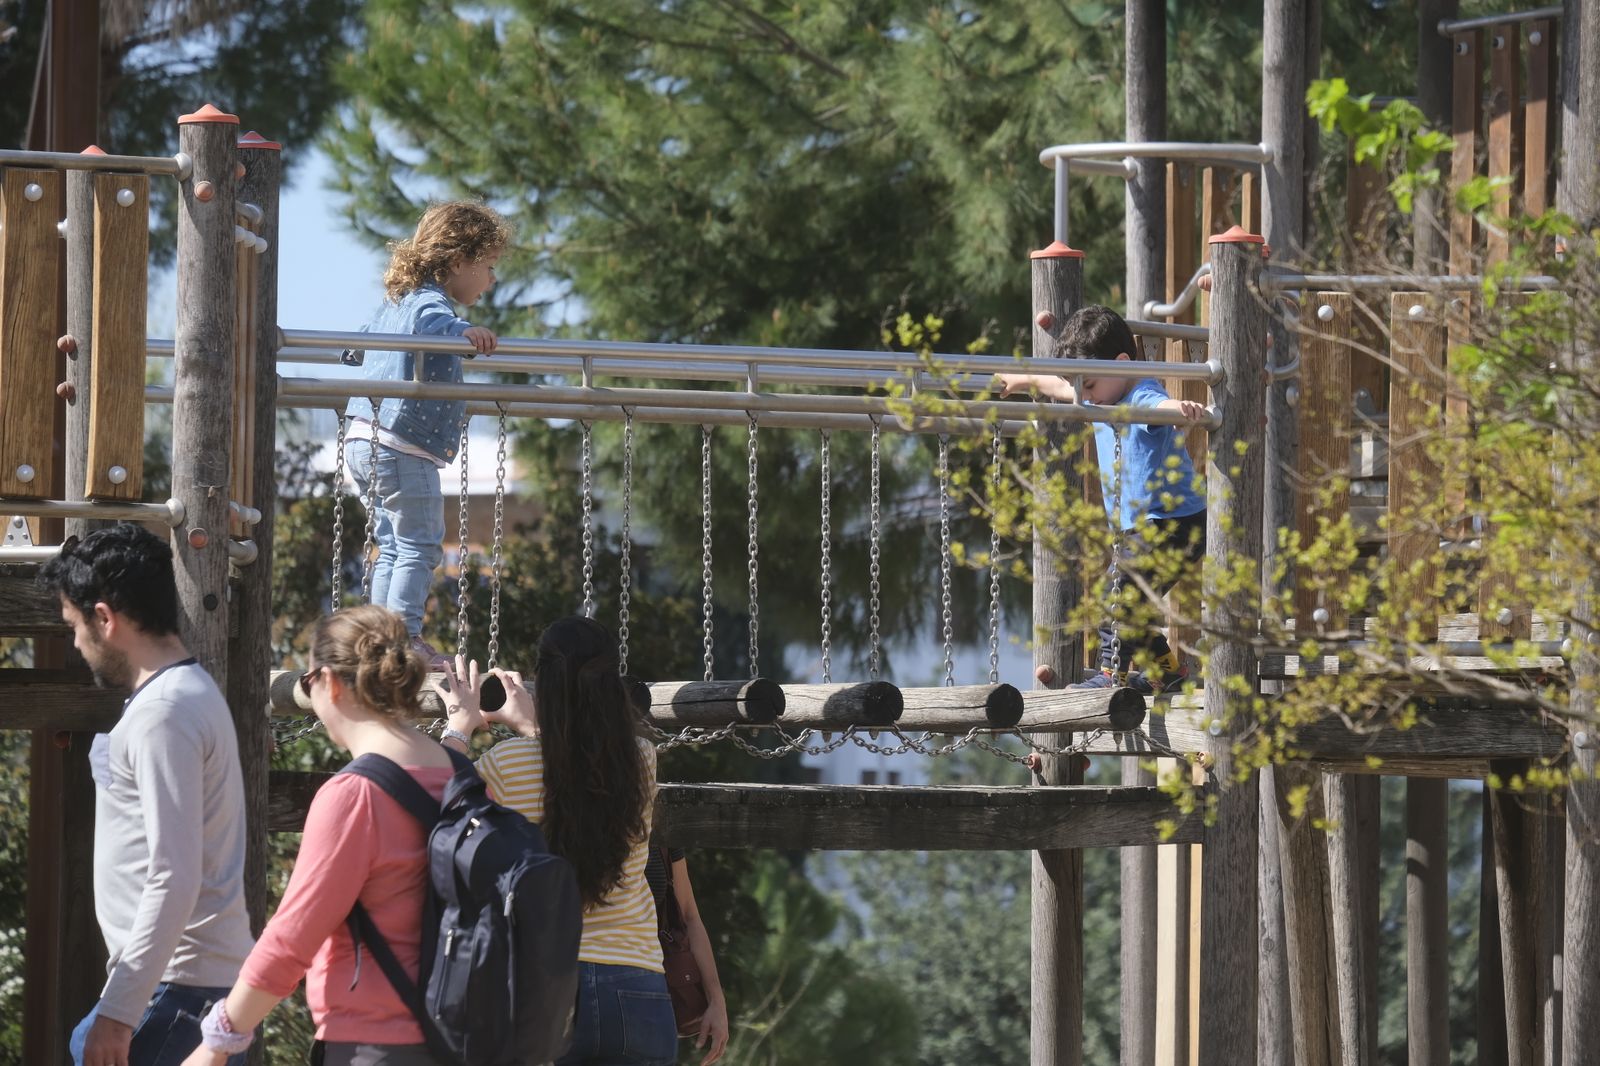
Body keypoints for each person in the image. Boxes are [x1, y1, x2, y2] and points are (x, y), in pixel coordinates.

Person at [179, 605, 457, 1066]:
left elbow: (291, 940)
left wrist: (217, 1040)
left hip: (376, 1044)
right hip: (463, 1039)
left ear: (328, 681)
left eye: (306, 684)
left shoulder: (356, 795)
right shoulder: (463, 776)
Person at [38, 523, 254, 1066]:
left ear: (105, 618)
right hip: (184, 986)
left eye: (74, 626)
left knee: (86, 1041)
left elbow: (173, 873)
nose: (76, 642)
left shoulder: (166, 712)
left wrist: (119, 1010)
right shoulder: (180, 694)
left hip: (179, 989)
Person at [439, 618, 679, 1066]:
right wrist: (536, 731)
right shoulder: (642, 761)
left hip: (544, 990)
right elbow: (578, 776)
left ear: (543, 683)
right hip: (638, 987)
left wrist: (460, 727)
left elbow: (432, 803)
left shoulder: (505, 766)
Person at [997, 304, 1208, 692]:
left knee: (1118, 599)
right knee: (1132, 605)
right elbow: (1061, 388)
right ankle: (1168, 671)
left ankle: (1112, 675)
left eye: (1089, 386)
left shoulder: (1140, 393)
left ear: (1124, 365)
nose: (1085, 397)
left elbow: (1158, 406)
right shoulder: (1101, 397)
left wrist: (1180, 408)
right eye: (1081, 388)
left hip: (1173, 524)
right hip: (1144, 528)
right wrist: (1021, 379)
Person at [342, 200, 511, 665]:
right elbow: (432, 325)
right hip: (400, 442)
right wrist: (466, 332)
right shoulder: (430, 303)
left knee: (393, 544)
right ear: (458, 261)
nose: (492, 280)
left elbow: (356, 345)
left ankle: (377, 638)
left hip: (364, 436)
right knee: (418, 543)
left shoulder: (394, 301)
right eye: (489, 266)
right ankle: (403, 639)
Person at [643, 846, 729, 1064]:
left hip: (654, 997)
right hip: (580, 985)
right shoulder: (568, 819)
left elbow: (689, 914)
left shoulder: (660, 826)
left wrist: (716, 999)